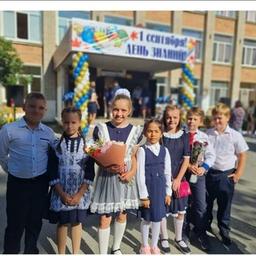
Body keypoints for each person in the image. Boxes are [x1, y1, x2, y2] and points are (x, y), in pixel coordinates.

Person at [0, 92, 56, 254]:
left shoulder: (48, 133)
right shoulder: (9, 130)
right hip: (18, 184)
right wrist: (12, 170)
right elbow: (2, 155)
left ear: (44, 111)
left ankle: (31, 251)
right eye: (32, 106)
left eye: (41, 108)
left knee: (35, 222)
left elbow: (54, 155)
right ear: (24, 107)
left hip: (40, 184)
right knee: (15, 224)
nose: (36, 111)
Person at [90, 88, 143, 254]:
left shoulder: (135, 131)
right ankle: (103, 252)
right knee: (105, 217)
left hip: (125, 178)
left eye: (123, 110)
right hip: (106, 177)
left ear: (129, 111)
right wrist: (106, 165)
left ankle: (116, 247)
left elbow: (134, 156)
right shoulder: (102, 129)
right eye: (116, 109)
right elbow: (95, 154)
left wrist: (132, 172)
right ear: (110, 108)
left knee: (122, 214)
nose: (119, 113)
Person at [47, 107, 95, 254]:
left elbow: (90, 171)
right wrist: (61, 194)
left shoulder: (88, 146)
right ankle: (61, 252)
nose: (70, 125)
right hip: (61, 191)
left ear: (80, 123)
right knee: (62, 223)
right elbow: (52, 170)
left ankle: (75, 252)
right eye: (66, 122)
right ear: (62, 122)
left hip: (79, 192)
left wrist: (80, 194)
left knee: (76, 222)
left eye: (73, 122)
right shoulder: (56, 145)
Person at [206, 103, 249, 247]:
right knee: (207, 203)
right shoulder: (208, 133)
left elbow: (242, 155)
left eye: (220, 118)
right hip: (209, 174)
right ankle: (205, 226)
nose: (217, 121)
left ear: (228, 118)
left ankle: (224, 230)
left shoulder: (235, 135)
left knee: (224, 205)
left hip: (226, 175)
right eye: (215, 118)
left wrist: (238, 174)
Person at [136, 119, 172, 254]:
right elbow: (140, 175)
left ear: (161, 133)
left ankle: (154, 245)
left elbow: (168, 173)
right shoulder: (142, 151)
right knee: (147, 218)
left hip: (160, 190)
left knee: (158, 218)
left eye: (156, 131)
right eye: (150, 131)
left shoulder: (165, 151)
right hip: (148, 189)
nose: (153, 134)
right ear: (145, 133)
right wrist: (143, 196)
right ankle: (144, 245)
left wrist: (168, 193)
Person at [160, 104, 191, 254]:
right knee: (163, 209)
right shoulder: (160, 134)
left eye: (175, 117)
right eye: (169, 117)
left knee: (180, 210)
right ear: (165, 118)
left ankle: (178, 238)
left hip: (179, 177)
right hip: (162, 177)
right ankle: (164, 237)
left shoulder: (184, 135)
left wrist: (178, 179)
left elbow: (186, 159)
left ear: (179, 119)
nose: (171, 120)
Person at [183, 107, 215, 251]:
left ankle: (200, 231)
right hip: (183, 173)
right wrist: (188, 166)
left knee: (201, 205)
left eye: (195, 119)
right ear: (186, 119)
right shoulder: (181, 134)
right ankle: (184, 230)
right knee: (184, 204)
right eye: (190, 118)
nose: (192, 121)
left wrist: (204, 168)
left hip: (199, 174)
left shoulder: (204, 137)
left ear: (200, 121)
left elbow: (211, 155)